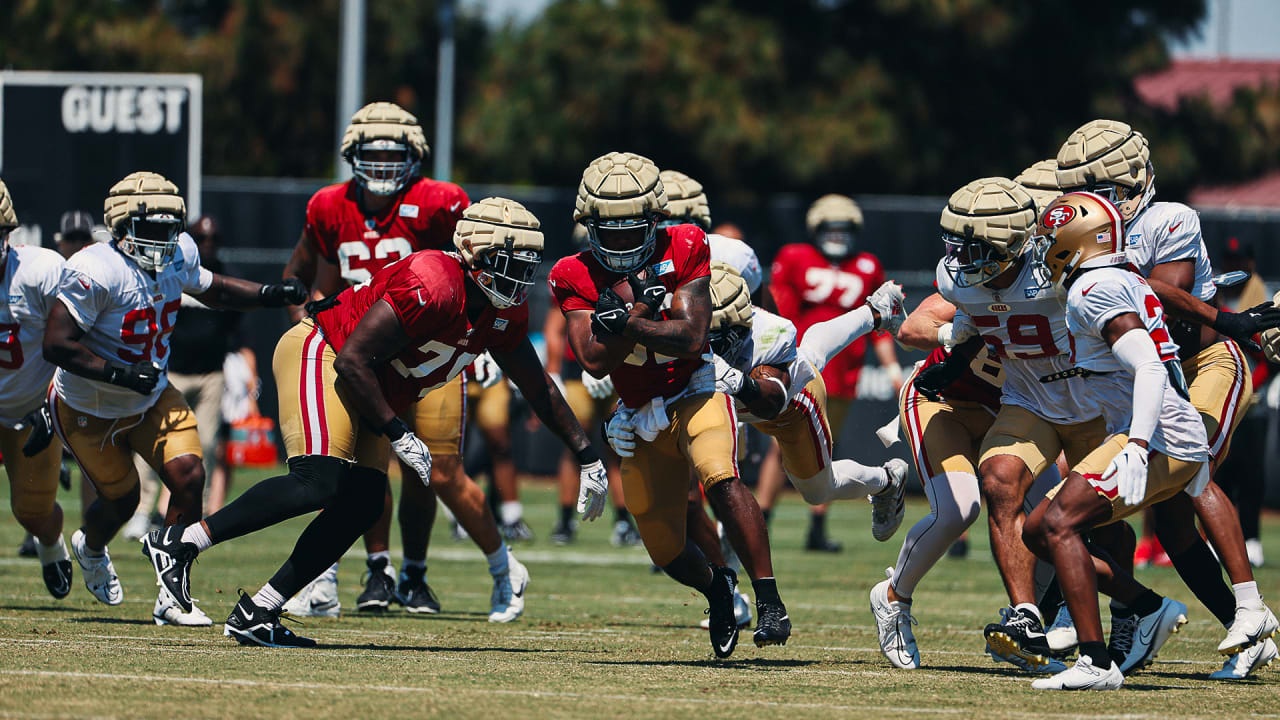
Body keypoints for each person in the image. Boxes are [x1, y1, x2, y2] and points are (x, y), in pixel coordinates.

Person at [144, 197, 607, 646]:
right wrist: (399, 432)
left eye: (525, 265)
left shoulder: (502, 312)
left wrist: (588, 456)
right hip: (323, 351)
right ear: (472, 253)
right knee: (317, 481)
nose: (516, 276)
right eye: (506, 261)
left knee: (365, 501)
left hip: (370, 382)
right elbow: (352, 359)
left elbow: (539, 388)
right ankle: (183, 541)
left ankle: (260, 609)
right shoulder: (434, 281)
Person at [1053, 119, 1280, 679]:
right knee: (1176, 528)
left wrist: (1228, 321)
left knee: (1190, 463)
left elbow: (1160, 295)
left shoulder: (1169, 218)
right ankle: (1246, 627)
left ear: (1138, 182)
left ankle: (1249, 609)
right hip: (1145, 377)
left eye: (1108, 191)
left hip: (1203, 365)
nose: (1100, 204)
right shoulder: (1089, 232)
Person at [550, 151, 788, 658]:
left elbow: (692, 338)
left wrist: (627, 320)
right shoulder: (571, 271)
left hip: (695, 387)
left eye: (628, 229)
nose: (616, 241)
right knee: (662, 544)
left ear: (655, 219)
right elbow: (592, 359)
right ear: (587, 224)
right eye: (606, 229)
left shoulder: (686, 243)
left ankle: (769, 601)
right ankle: (719, 588)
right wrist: (641, 305)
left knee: (720, 476)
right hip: (637, 410)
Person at [43, 171, 306, 625]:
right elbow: (57, 344)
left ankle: (171, 593)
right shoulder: (94, 269)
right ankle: (90, 544)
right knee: (122, 503)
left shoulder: (178, 254)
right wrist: (120, 372)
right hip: (90, 404)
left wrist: (266, 295)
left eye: (170, 228)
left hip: (148, 396)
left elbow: (214, 289)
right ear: (122, 227)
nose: (163, 239)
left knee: (189, 474)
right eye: (151, 228)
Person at [278, 101, 494, 617]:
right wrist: (311, 326)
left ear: (413, 156)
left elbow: (482, 267)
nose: (380, 165)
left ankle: (415, 575)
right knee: (354, 465)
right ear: (353, 154)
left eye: (391, 154)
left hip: (429, 351)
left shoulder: (442, 202)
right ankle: (377, 570)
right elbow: (302, 276)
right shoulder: (330, 206)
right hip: (362, 351)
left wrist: (481, 340)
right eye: (370, 154)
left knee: (428, 468)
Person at [914, 177, 1111, 672]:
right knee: (999, 480)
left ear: (1009, 244)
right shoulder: (957, 279)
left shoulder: (1063, 270)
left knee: (1102, 524)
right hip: (1030, 398)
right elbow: (973, 327)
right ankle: (1025, 615)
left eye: (974, 248)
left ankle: (1135, 606)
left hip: (1094, 399)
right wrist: (953, 363)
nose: (961, 259)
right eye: (957, 245)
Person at [1021, 191, 1208, 690]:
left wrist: (1139, 445)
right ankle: (1147, 607)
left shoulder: (1092, 288)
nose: (1045, 251)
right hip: (1165, 430)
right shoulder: (1120, 277)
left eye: (1051, 240)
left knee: (1058, 523)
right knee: (1037, 531)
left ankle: (1096, 662)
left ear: (1074, 242)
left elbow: (1148, 363)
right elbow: (1165, 359)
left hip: (1156, 437)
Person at [768, 194, 902, 552]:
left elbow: (879, 322)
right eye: (831, 227)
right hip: (799, 365)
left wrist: (892, 370)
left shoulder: (868, 265)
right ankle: (762, 515)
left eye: (845, 228)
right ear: (817, 228)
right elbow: (779, 314)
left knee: (824, 447)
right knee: (776, 447)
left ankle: (817, 527)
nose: (838, 234)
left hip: (845, 370)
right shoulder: (795, 257)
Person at [121, 215, 240, 541]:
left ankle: (192, 518)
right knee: (152, 444)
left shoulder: (224, 279)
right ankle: (142, 512)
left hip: (210, 375)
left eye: (213, 240)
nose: (208, 246)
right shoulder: (173, 271)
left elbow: (234, 330)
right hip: (171, 372)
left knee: (206, 446)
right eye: (202, 239)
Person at [0, 178, 74, 600]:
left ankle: (51, 544)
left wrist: (53, 404)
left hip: (30, 410)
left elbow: (79, 337)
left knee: (32, 512)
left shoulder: (41, 272)